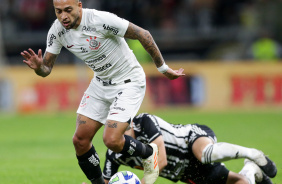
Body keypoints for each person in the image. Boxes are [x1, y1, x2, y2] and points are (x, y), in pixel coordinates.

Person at [20, 0, 185, 183]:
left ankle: (150, 153)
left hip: (128, 81)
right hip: (100, 83)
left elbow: (143, 34)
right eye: (58, 11)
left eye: (68, 10)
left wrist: (163, 68)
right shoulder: (57, 31)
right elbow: (47, 69)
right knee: (80, 140)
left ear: (79, 5)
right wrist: (38, 68)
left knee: (112, 140)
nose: (63, 16)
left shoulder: (100, 20)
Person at [103, 113, 277, 184]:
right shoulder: (114, 155)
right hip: (186, 171)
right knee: (240, 182)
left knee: (204, 154)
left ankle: (252, 154)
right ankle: (250, 170)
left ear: (130, 122)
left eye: (124, 129)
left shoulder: (144, 122)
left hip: (190, 140)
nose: (121, 135)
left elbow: (160, 161)